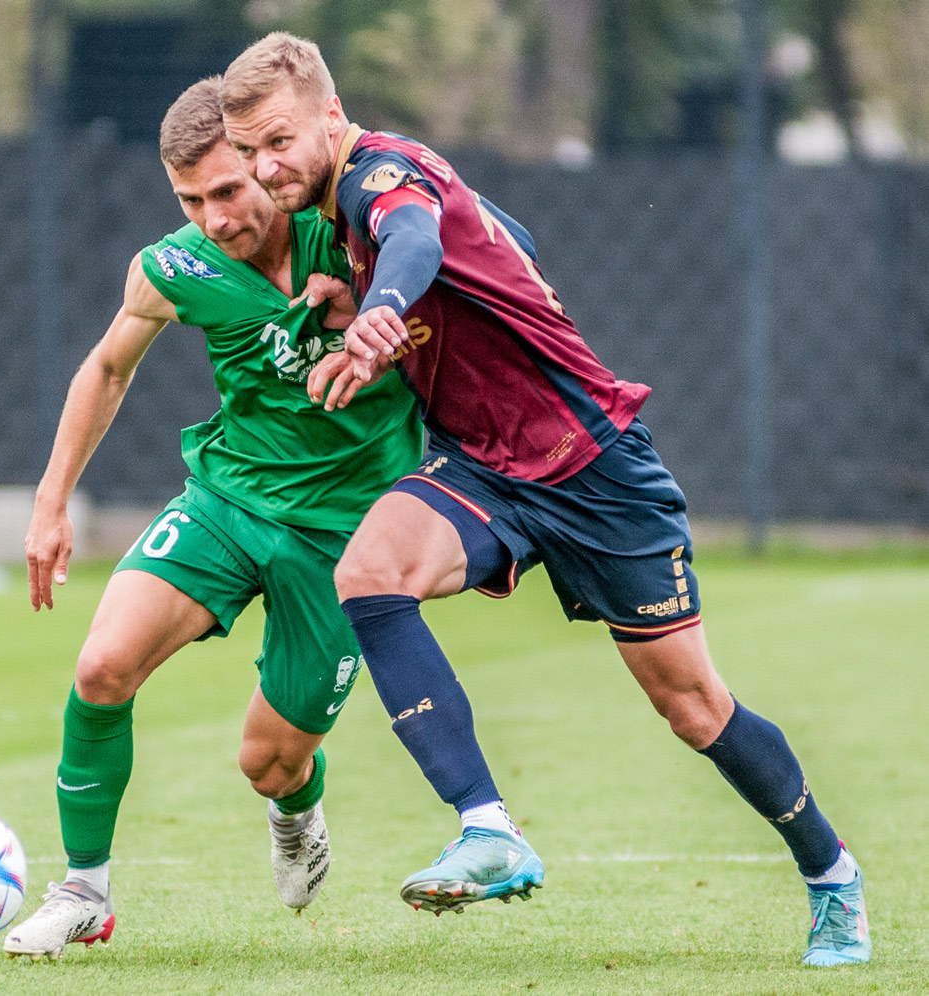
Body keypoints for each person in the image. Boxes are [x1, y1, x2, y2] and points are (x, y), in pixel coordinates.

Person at [219, 33, 869, 967]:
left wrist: (381, 308)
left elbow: (416, 232)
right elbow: (501, 238)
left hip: (595, 469)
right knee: (369, 573)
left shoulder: (375, 177)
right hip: (487, 468)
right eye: (249, 153)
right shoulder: (358, 206)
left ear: (331, 116)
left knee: (693, 707)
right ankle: (489, 827)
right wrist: (364, 297)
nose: (265, 167)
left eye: (277, 141)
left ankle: (831, 876)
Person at [2, 76, 424, 960]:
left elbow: (443, 315)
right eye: (190, 199)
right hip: (227, 504)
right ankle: (84, 891)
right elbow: (106, 369)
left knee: (267, 761)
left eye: (228, 190)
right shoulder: (172, 267)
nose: (216, 216)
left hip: (342, 541)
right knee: (102, 665)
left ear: (268, 161)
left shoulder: (348, 226)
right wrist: (51, 504)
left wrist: (374, 321)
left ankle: (295, 809)